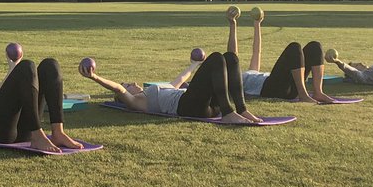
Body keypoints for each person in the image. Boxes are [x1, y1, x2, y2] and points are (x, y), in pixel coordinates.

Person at [81, 52, 263, 124]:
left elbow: (182, 78)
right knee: (216, 58)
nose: (132, 83)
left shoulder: (160, 88)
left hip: (207, 106)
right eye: (128, 85)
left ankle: (242, 110)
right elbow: (118, 90)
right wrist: (95, 77)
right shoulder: (138, 101)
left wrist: (194, 64)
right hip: (188, 106)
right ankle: (228, 113)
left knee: (230, 58)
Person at [226, 7, 338, 104]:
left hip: (286, 86)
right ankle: (303, 95)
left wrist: (257, 24)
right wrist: (233, 24)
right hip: (270, 89)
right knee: (294, 48)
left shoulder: (249, 72)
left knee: (314, 46)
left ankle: (318, 92)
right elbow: (232, 55)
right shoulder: (234, 79)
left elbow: (257, 51)